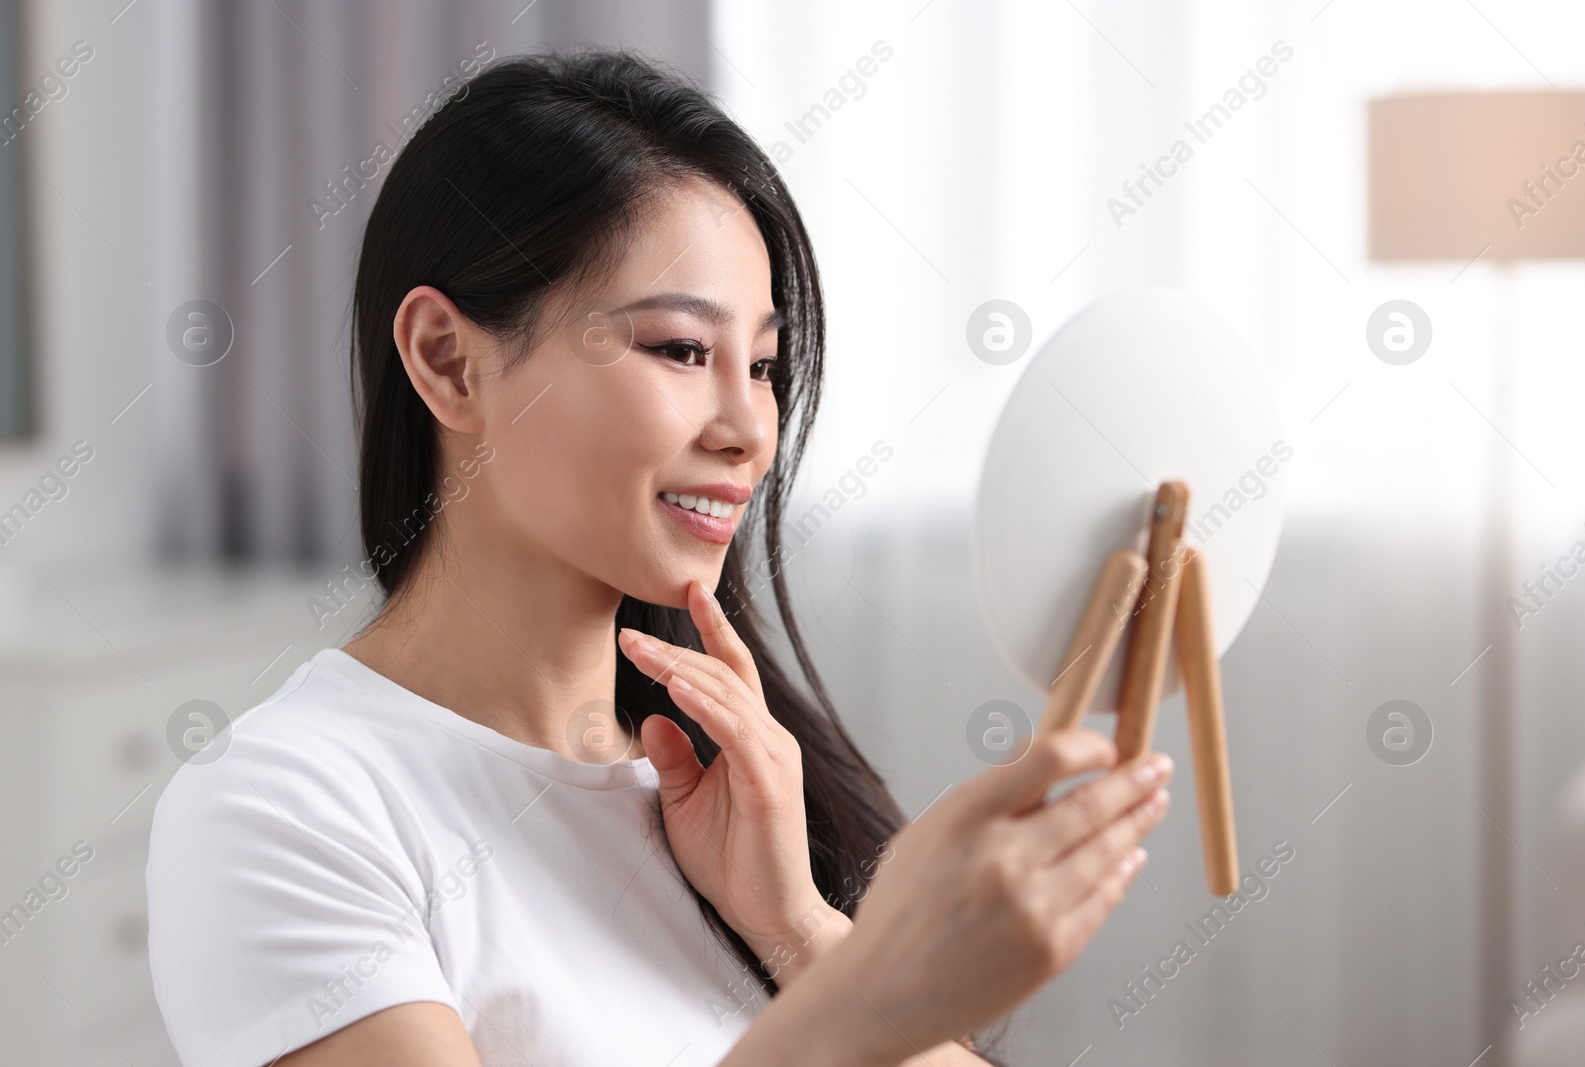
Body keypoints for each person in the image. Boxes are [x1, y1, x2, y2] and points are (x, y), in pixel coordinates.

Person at [145, 49, 1172, 1067]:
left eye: (764, 366)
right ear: (449, 361)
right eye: (681, 349)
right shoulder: (281, 810)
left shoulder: (734, 797)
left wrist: (801, 931)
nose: (748, 428)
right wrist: (874, 991)